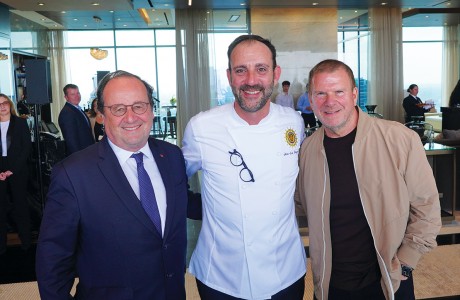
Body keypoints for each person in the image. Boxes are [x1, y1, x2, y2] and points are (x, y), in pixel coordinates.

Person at [36, 71, 201, 299]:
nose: (131, 117)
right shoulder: (73, 174)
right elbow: (53, 258)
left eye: (139, 106)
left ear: (151, 110)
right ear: (102, 115)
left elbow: (183, 201)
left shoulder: (171, 156)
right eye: (118, 109)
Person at [296, 59, 442, 300]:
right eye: (320, 93)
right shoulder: (308, 150)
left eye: (338, 92)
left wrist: (406, 261)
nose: (329, 102)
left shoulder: (399, 139)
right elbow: (300, 203)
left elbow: (427, 206)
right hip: (330, 284)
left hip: (388, 281)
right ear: (311, 100)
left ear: (354, 94)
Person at [182, 34, 307, 300]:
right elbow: (172, 181)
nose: (251, 80)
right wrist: (202, 206)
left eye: (261, 69)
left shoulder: (294, 123)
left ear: (275, 74)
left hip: (285, 271)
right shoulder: (202, 127)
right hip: (220, 275)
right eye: (241, 70)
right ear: (229, 76)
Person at [0, 94, 32, 255]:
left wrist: (12, 169)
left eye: (5, 103)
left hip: (17, 169)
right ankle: (1, 246)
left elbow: (26, 148)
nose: (2, 106)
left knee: (20, 206)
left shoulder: (20, 123)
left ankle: (26, 242)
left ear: (10, 104)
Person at [58, 84, 95, 155]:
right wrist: (79, 159)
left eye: (78, 93)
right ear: (66, 97)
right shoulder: (67, 113)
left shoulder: (77, 109)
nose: (77, 96)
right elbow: (71, 141)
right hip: (81, 157)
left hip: (88, 153)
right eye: (73, 94)